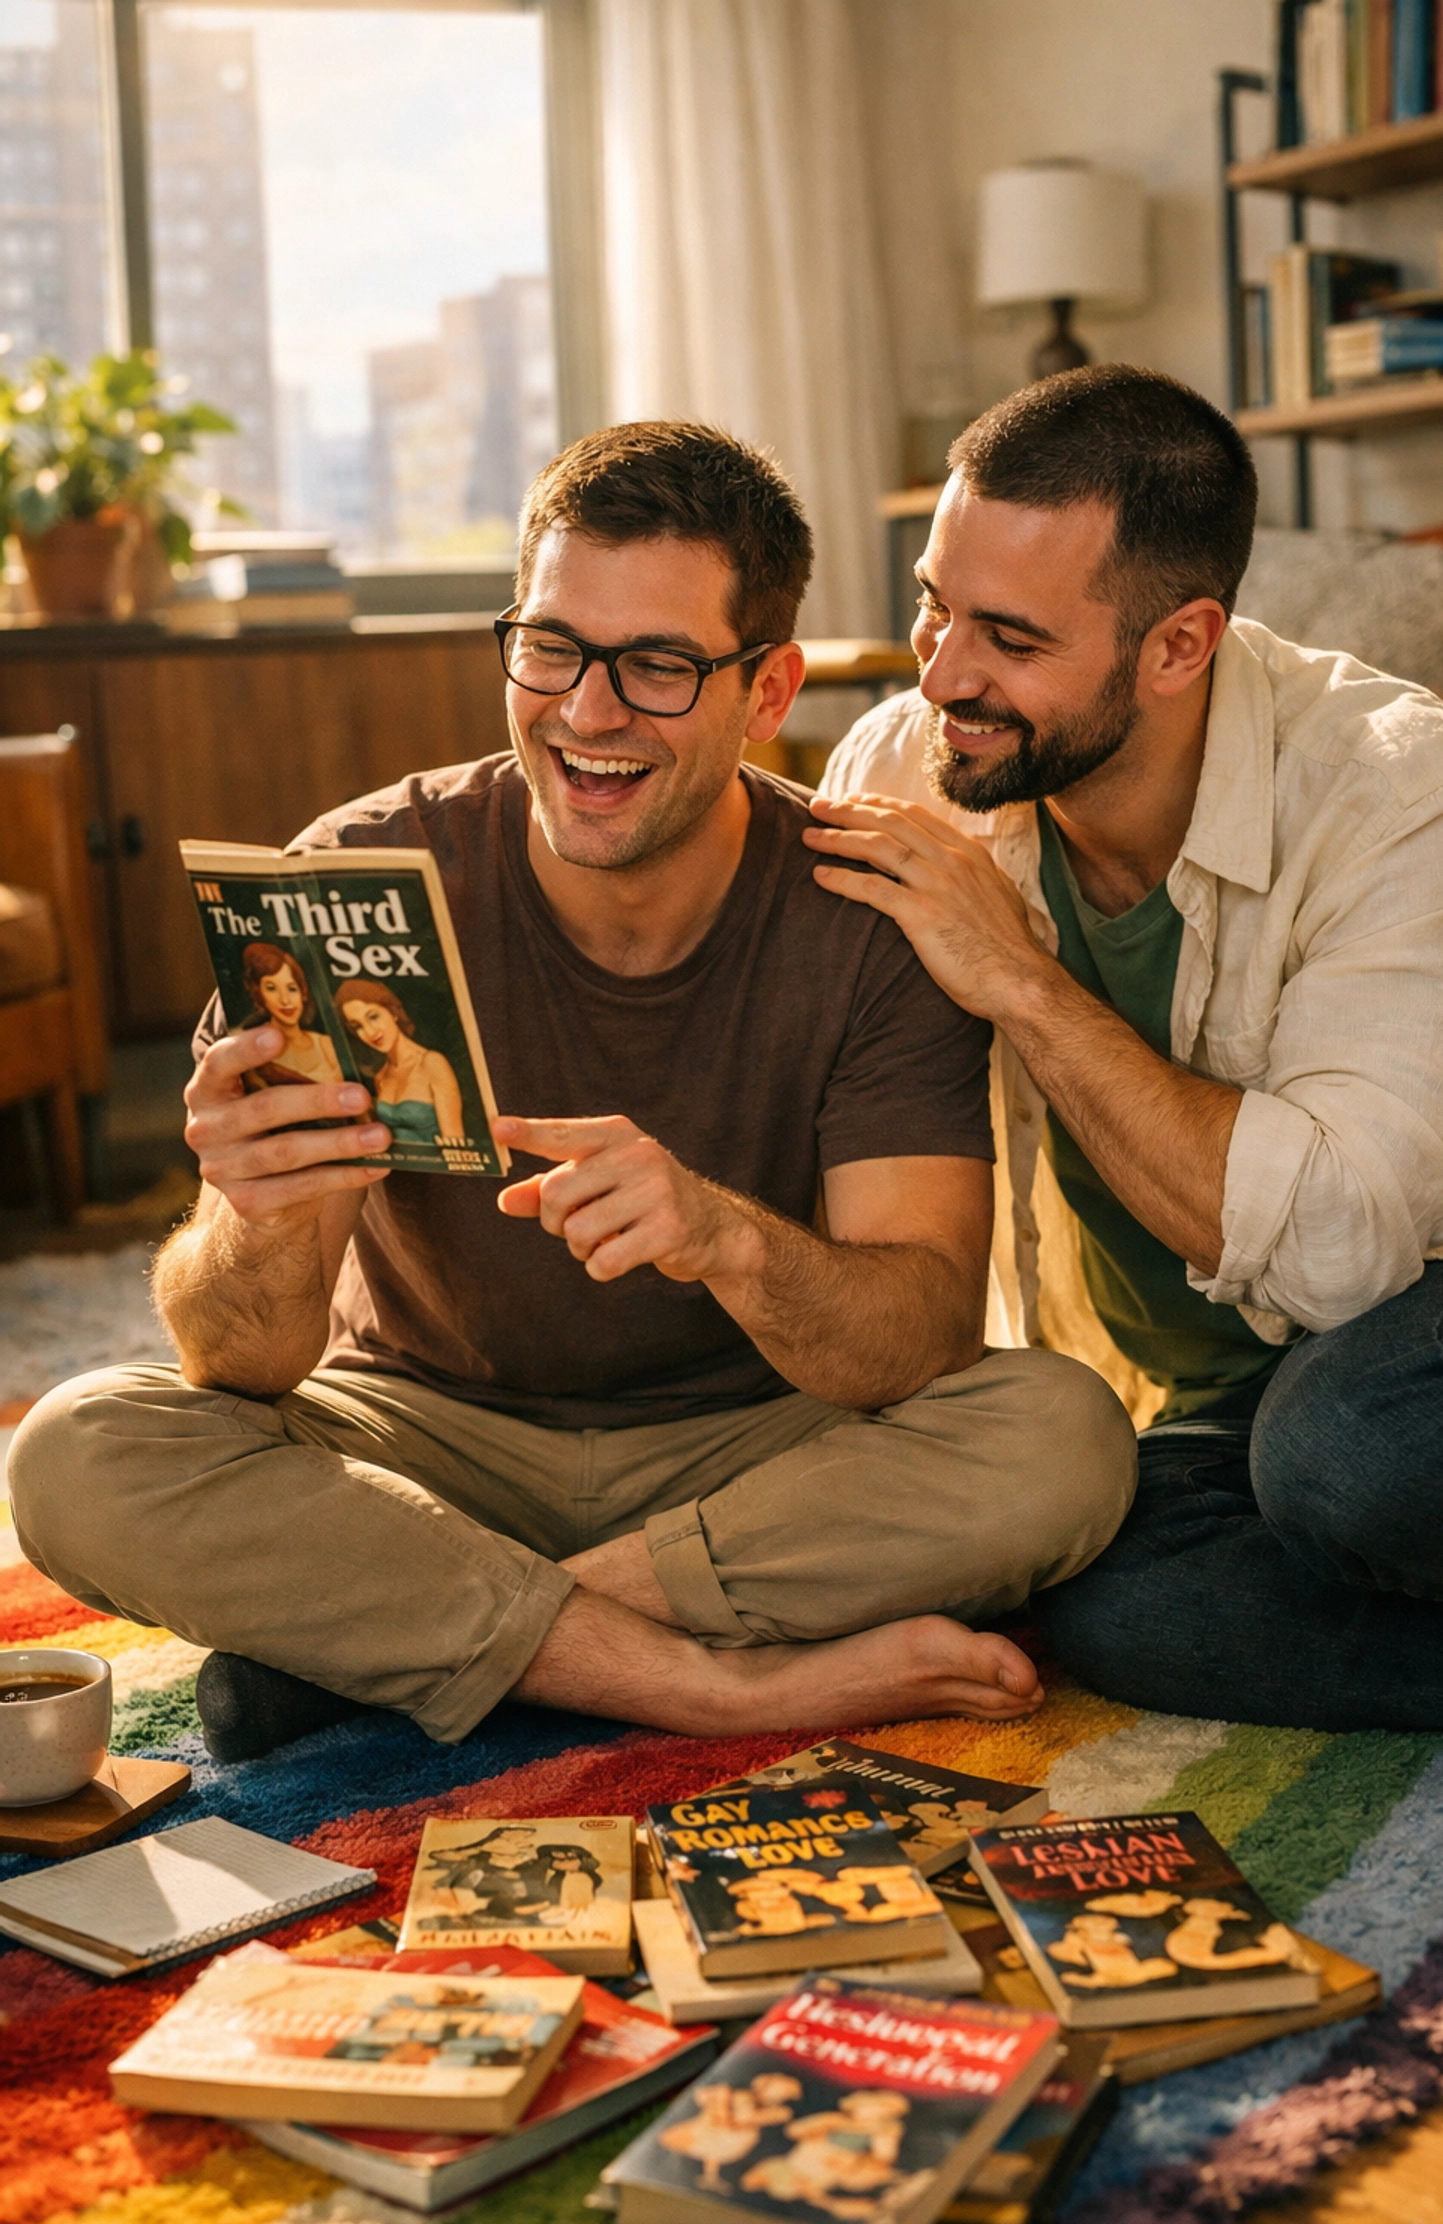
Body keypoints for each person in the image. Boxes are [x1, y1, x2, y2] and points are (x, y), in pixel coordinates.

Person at [9, 419, 1135, 1763]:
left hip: (751, 1452)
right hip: (417, 1436)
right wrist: (256, 1212)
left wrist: (721, 1235)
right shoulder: (353, 878)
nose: (585, 714)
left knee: (1061, 1443)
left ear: (767, 691)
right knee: (77, 1450)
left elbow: (916, 1341)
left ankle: (408, 1637)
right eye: (550, 647)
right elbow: (243, 1364)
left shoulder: (869, 913)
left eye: (658, 666)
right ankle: (718, 1682)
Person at [809, 365, 1443, 1735]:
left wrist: (1020, 980)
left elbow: (1339, 1255)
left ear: (1181, 644)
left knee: (1356, 1451)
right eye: (931, 604)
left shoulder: (1406, 785)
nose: (943, 675)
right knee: (1109, 1590)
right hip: (1209, 1405)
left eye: (1009, 638)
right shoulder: (906, 761)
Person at [338, 983, 465, 1145]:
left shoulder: (432, 1063)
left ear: (393, 1013)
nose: (370, 1032)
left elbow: (455, 1144)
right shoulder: (381, 1075)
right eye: (358, 1026)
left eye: (373, 1017)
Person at [240, 943, 341, 1089]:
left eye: (292, 989)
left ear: (303, 993)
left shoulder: (325, 1045)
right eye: (271, 988)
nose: (285, 1000)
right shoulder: (254, 1050)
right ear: (259, 994)